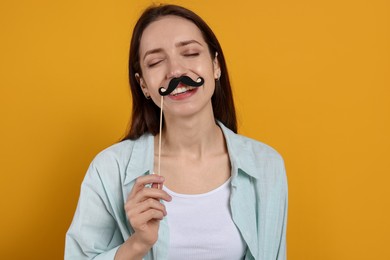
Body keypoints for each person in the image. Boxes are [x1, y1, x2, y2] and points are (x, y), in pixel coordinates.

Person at [65, 4, 287, 260]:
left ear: (215, 65)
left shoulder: (266, 166)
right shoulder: (108, 170)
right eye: (156, 61)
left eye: (191, 53)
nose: (176, 71)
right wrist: (137, 244)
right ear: (143, 85)